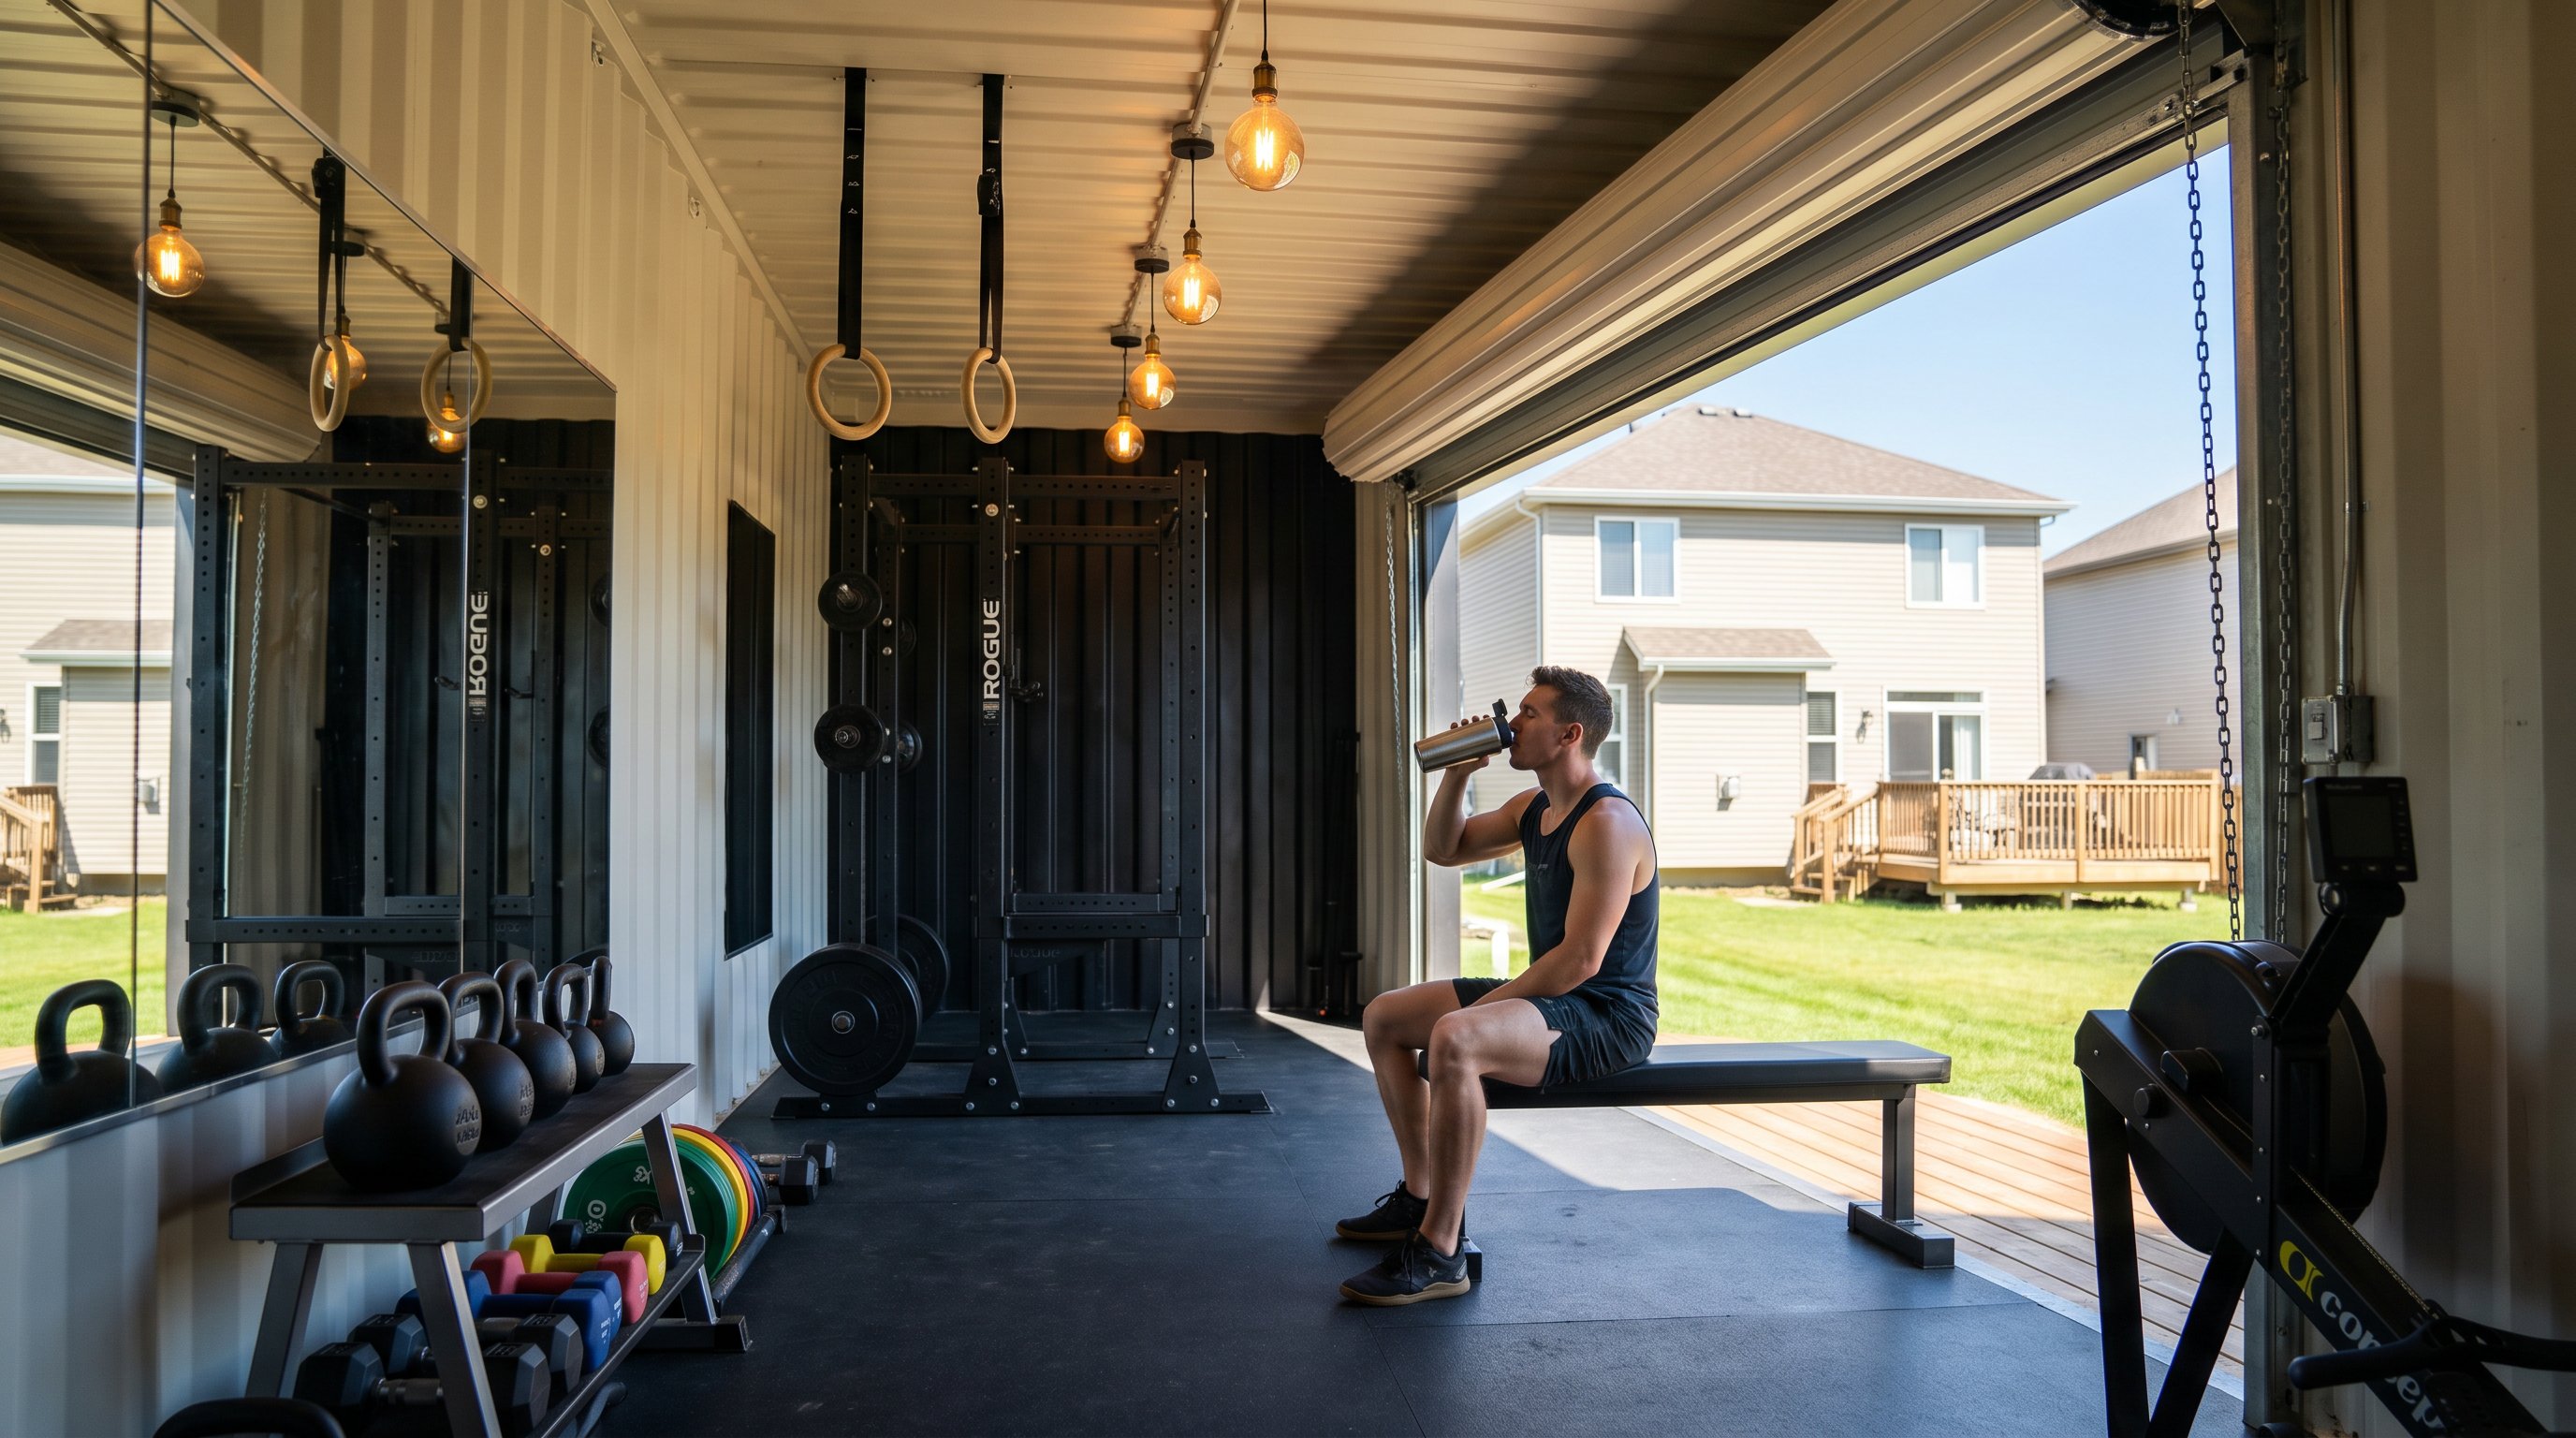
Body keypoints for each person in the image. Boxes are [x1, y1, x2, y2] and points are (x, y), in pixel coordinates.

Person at [1337, 667, 1661, 1305]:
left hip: (1608, 1013)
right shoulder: (1534, 807)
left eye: (1529, 714)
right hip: (1554, 998)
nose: (1514, 723)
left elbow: (1582, 960)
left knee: (1456, 1038)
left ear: (1570, 734)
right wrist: (1458, 770)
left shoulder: (1607, 822)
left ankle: (1441, 1250)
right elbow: (1444, 848)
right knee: (1384, 1017)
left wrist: (1486, 1009)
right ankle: (1418, 1195)